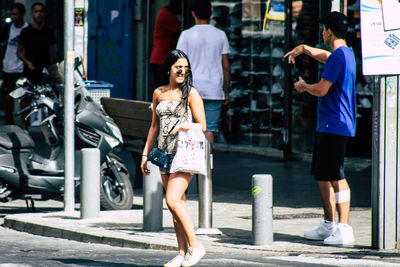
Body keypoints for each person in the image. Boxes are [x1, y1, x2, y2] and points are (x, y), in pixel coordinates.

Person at [284, 11, 356, 246]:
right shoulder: (345, 53)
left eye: (323, 29)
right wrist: (304, 48)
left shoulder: (339, 56)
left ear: (329, 31)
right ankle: (328, 225)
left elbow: (322, 89)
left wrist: (304, 86)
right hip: (331, 123)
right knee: (324, 175)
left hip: (334, 123)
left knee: (336, 176)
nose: (322, 33)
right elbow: (325, 55)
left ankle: (343, 229)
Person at [141, 49, 207, 267]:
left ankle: (196, 246)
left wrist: (187, 124)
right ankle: (182, 252)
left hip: (184, 153)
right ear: (169, 68)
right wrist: (145, 154)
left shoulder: (191, 94)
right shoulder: (158, 92)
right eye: (179, 67)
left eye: (186, 69)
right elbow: (154, 126)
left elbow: (203, 126)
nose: (182, 72)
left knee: (172, 199)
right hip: (164, 154)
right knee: (176, 205)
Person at [176, 0, 230, 144]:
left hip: (191, 89)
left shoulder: (185, 35)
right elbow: (225, 66)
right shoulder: (221, 35)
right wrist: (226, 90)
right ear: (211, 14)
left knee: (190, 128)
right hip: (214, 88)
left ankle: (192, 165)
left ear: (193, 14)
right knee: (209, 129)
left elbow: (179, 65)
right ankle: (208, 165)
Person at [0, 3, 28, 125]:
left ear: (22, 14)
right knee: (8, 99)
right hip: (8, 68)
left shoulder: (27, 29)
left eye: (16, 14)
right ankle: (9, 124)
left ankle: (24, 126)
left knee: (24, 100)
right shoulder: (7, 28)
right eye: (12, 14)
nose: (13, 17)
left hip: (22, 69)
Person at [17, 2, 56, 85]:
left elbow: (51, 53)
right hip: (30, 70)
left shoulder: (49, 32)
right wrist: (28, 63)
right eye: (36, 11)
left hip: (44, 71)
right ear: (32, 14)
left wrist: (52, 70)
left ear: (45, 14)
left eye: (41, 11)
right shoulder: (26, 31)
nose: (39, 14)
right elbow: (19, 52)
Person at [150, 0, 182, 100]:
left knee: (162, 90)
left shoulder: (164, 12)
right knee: (165, 91)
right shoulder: (167, 15)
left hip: (160, 59)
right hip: (161, 60)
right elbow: (179, 33)